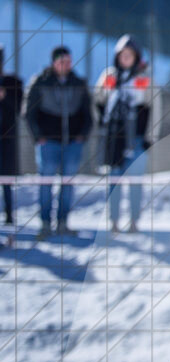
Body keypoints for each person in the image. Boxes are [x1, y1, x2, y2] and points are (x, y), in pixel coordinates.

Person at [23, 46, 92, 238]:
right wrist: (38, 137)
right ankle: (45, 224)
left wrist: (82, 136)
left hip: (72, 144)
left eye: (69, 61)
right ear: (54, 62)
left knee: (68, 184)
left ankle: (63, 223)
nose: (66, 65)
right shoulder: (40, 82)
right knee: (46, 183)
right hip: (48, 144)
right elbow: (29, 113)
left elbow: (88, 113)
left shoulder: (78, 83)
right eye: (62, 61)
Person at [94, 35, 152, 234]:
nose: (126, 59)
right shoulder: (110, 75)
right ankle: (114, 220)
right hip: (113, 139)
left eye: (130, 55)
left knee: (135, 181)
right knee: (114, 181)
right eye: (123, 55)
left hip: (136, 138)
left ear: (136, 57)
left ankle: (134, 220)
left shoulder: (144, 77)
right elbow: (98, 101)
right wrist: (105, 87)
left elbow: (155, 106)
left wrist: (150, 137)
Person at [0, 45, 23, 226]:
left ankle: (9, 215)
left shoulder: (12, 82)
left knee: (6, 180)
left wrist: (4, 96)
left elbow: (19, 108)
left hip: (7, 140)